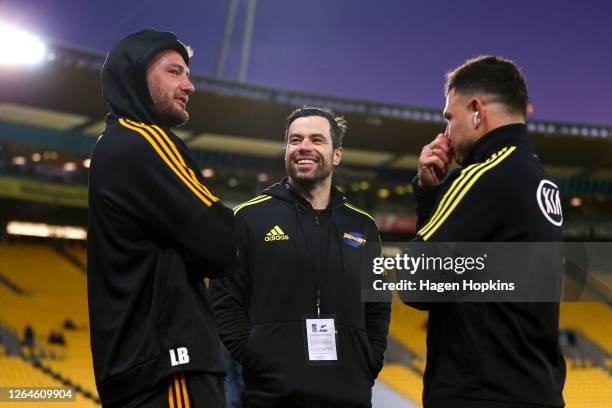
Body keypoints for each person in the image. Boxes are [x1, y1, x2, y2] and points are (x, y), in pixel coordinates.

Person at [87, 29, 236, 408]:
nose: (190, 85)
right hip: (169, 366)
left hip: (140, 368)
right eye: (174, 72)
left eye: (187, 73)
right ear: (136, 75)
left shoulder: (113, 143)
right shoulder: (145, 141)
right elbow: (222, 244)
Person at [408, 55, 566, 407]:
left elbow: (416, 285)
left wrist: (427, 195)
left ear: (477, 110)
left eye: (450, 117)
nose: (446, 131)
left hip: (483, 394)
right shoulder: (539, 180)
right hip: (537, 391)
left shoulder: (484, 177)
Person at [210, 106, 391, 407]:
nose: (304, 147)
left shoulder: (363, 227)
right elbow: (224, 301)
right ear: (286, 151)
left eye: (317, 139)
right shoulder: (248, 218)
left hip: (350, 395)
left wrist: (369, 360)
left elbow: (378, 302)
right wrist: (256, 359)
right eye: (295, 140)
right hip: (272, 395)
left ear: (337, 154)